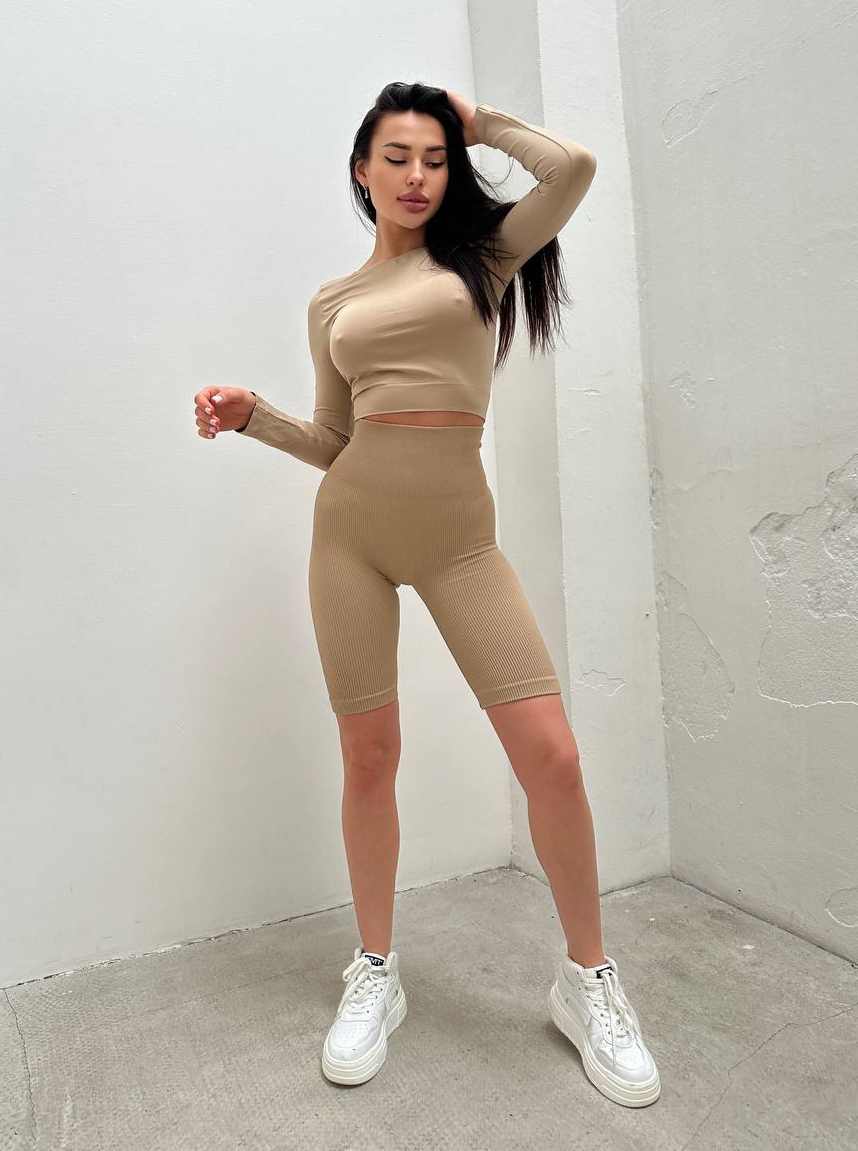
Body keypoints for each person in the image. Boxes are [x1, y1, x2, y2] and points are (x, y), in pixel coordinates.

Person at [193, 84, 660, 1106]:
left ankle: (587, 980)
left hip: (459, 543)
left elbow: (574, 170)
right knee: (370, 756)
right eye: (397, 157)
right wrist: (255, 414)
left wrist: (477, 120)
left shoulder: (482, 260)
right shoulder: (331, 302)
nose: (417, 176)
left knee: (552, 755)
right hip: (351, 537)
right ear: (362, 170)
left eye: (435, 159)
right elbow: (336, 440)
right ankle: (375, 970)